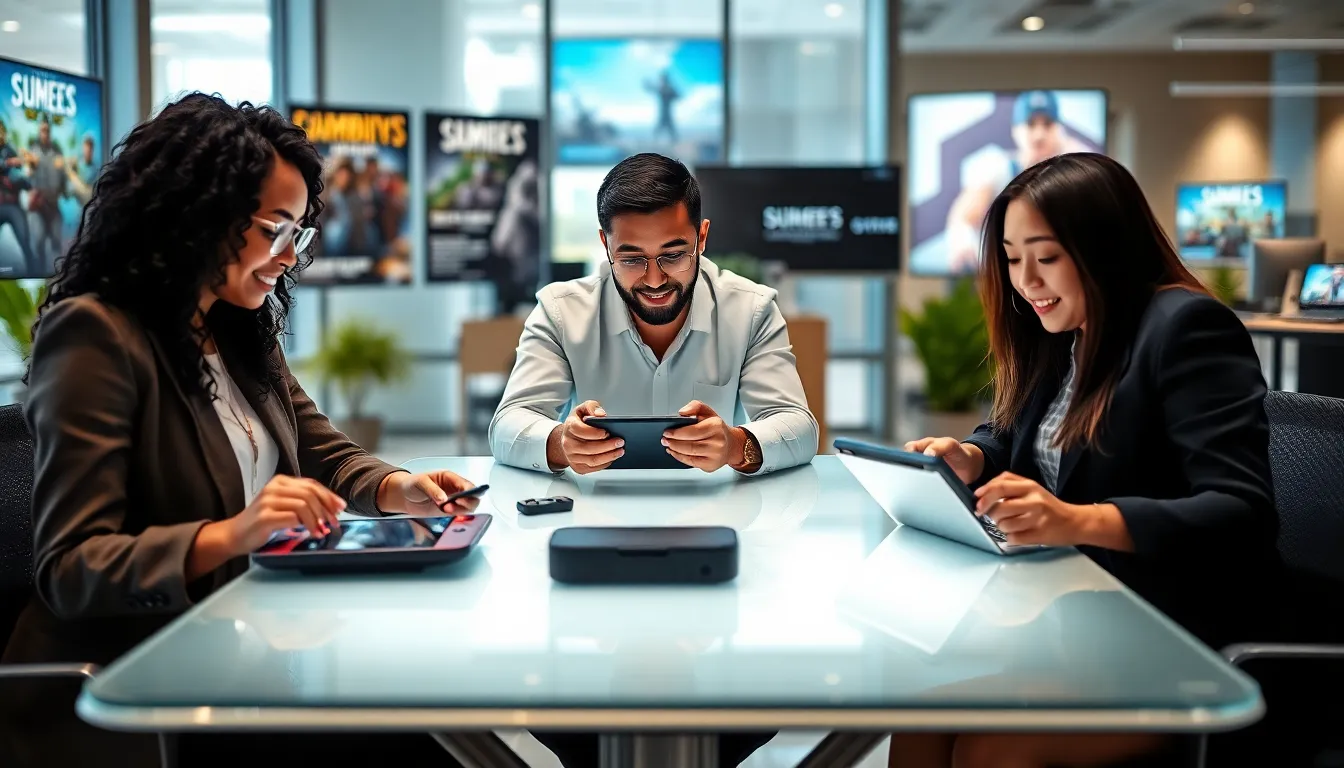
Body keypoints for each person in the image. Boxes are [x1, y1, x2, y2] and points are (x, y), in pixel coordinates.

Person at [0, 93, 481, 768]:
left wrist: (403, 489)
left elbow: (321, 448)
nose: (289, 256)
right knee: (422, 734)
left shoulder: (235, 327)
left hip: (240, 646)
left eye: (298, 233)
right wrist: (236, 533)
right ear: (200, 216)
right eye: (275, 229)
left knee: (434, 699)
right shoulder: (95, 335)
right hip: (135, 683)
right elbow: (73, 569)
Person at [891, 152, 1280, 768]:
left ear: (1105, 248)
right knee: (920, 722)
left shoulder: (1186, 327)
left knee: (991, 752)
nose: (1026, 282)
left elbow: (1241, 513)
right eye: (1013, 261)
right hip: (1079, 620)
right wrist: (969, 455)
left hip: (1174, 641)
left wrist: (1075, 520)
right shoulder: (1063, 335)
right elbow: (1015, 437)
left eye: (1046, 258)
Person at [489, 152, 818, 480]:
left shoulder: (751, 309)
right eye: (632, 259)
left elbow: (798, 426)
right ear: (606, 245)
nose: (654, 280)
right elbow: (508, 423)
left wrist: (735, 444)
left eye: (673, 256)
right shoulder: (560, 311)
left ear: (701, 238)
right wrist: (561, 443)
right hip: (595, 515)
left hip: (716, 512)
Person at [944, 90, 1092, 274]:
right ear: (1016, 131)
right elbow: (961, 219)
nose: (1039, 134)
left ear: (1059, 129)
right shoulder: (999, 169)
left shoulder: (1074, 170)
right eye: (1030, 125)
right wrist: (964, 242)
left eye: (1047, 124)